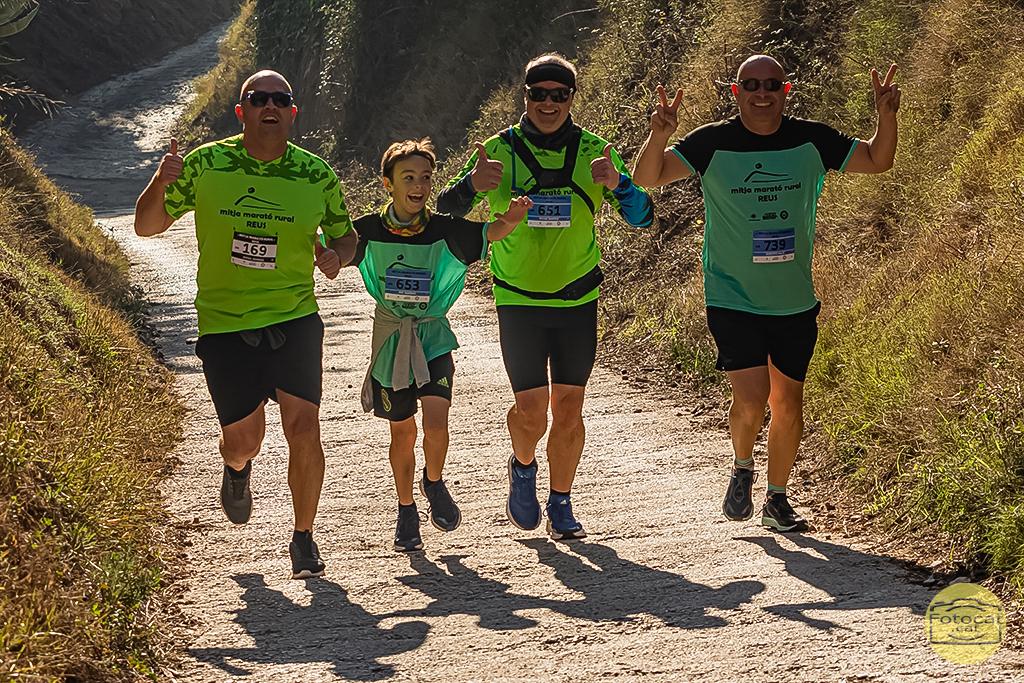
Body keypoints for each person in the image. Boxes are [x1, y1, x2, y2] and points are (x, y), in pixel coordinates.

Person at [631, 55, 901, 532]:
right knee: (753, 398)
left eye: (771, 85)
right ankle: (742, 467)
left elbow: (878, 161)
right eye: (751, 85)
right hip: (731, 294)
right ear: (736, 92)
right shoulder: (712, 142)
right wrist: (660, 133)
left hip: (794, 298)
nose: (762, 93)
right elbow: (646, 178)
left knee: (789, 402)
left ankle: (777, 498)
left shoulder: (812, 140)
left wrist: (886, 116)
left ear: (786, 90)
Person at [133, 70, 357, 578]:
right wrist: (160, 181)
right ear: (243, 112)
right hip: (225, 323)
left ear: (293, 112)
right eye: (258, 99)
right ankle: (236, 470)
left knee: (304, 427)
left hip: (295, 317)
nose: (270, 106)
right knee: (244, 440)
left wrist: (336, 258)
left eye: (281, 99)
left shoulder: (315, 174)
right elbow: (146, 226)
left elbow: (348, 237)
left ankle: (304, 538)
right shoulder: (206, 163)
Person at [437, 53, 654, 540]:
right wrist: (473, 185)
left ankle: (561, 501)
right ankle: (522, 465)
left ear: (573, 97)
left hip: (577, 298)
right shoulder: (497, 151)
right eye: (539, 94)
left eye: (560, 94)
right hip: (520, 300)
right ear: (526, 96)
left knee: (570, 408)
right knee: (533, 410)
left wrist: (619, 185)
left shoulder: (596, 151)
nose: (549, 103)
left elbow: (643, 217)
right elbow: (443, 210)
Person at [345, 138, 532, 551]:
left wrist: (513, 218)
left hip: (432, 339)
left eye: (425, 178)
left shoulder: (445, 229)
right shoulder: (367, 231)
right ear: (386, 184)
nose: (418, 185)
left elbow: (491, 232)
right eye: (408, 177)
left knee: (435, 424)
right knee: (402, 434)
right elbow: (333, 252)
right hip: (392, 342)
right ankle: (406, 510)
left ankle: (433, 482)